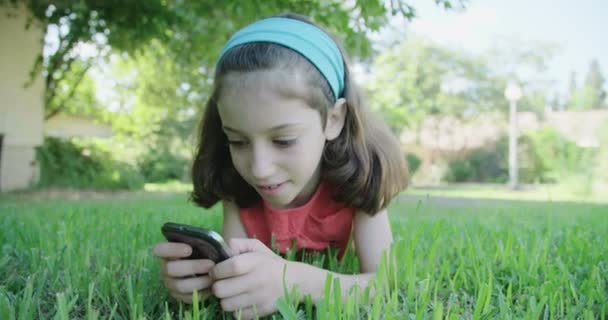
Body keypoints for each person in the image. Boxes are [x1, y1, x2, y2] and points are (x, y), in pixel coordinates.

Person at [153, 13, 408, 319]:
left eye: (284, 140)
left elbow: (384, 285)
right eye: (238, 141)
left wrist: (293, 281)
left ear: (334, 120)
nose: (259, 169)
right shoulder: (238, 183)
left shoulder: (365, 177)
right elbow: (236, 275)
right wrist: (203, 282)